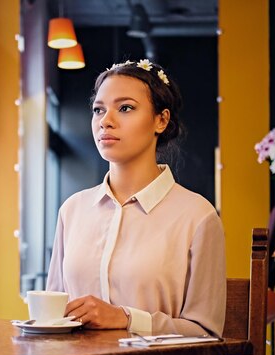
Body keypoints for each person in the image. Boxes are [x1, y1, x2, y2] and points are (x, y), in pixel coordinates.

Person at [46, 59, 226, 336]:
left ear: (161, 120)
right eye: (98, 110)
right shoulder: (72, 210)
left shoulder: (197, 216)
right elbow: (52, 316)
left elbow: (206, 332)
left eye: (125, 108)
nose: (106, 121)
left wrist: (128, 318)